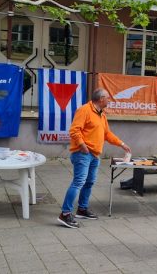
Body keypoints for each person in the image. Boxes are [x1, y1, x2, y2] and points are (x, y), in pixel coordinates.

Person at [57, 88, 131, 228]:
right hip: (83, 154)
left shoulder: (101, 114)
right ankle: (65, 214)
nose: (109, 100)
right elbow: (74, 130)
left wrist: (121, 144)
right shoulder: (84, 110)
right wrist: (82, 145)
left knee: (89, 182)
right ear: (101, 99)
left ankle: (82, 209)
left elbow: (107, 134)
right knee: (79, 182)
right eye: (108, 98)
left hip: (95, 155)